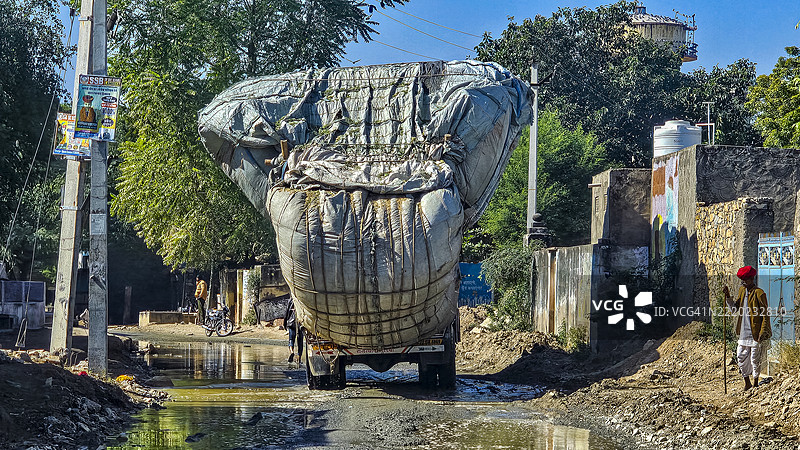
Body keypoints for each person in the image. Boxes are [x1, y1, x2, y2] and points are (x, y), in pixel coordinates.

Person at [723, 265, 772, 390]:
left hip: (755, 333)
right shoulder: (741, 291)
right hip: (743, 332)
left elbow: (765, 315)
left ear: (752, 279)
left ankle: (755, 383)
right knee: (740, 356)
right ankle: (747, 382)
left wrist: (763, 331)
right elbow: (735, 309)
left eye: (745, 280)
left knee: (755, 359)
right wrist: (728, 296)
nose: (743, 282)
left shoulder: (759, 293)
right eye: (742, 280)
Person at [284, 298, 297, 363]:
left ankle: (292, 352)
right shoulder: (300, 300)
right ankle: (299, 358)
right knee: (300, 341)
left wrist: (285, 324)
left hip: (291, 323)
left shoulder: (291, 301)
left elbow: (287, 313)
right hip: (299, 323)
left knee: (291, 339)